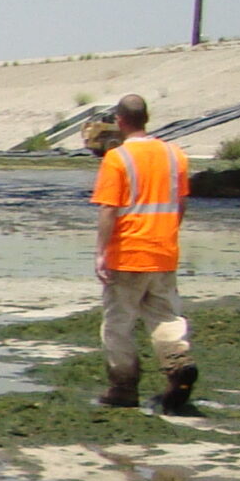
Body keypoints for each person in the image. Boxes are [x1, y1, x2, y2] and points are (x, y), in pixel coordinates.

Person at [91, 92, 198, 414]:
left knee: (118, 324)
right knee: (165, 316)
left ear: (120, 121)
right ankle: (178, 364)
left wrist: (101, 253)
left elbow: (109, 211)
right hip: (163, 253)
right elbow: (180, 204)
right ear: (146, 118)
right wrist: (166, 236)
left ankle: (123, 387)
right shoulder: (175, 154)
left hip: (127, 255)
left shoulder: (117, 158)